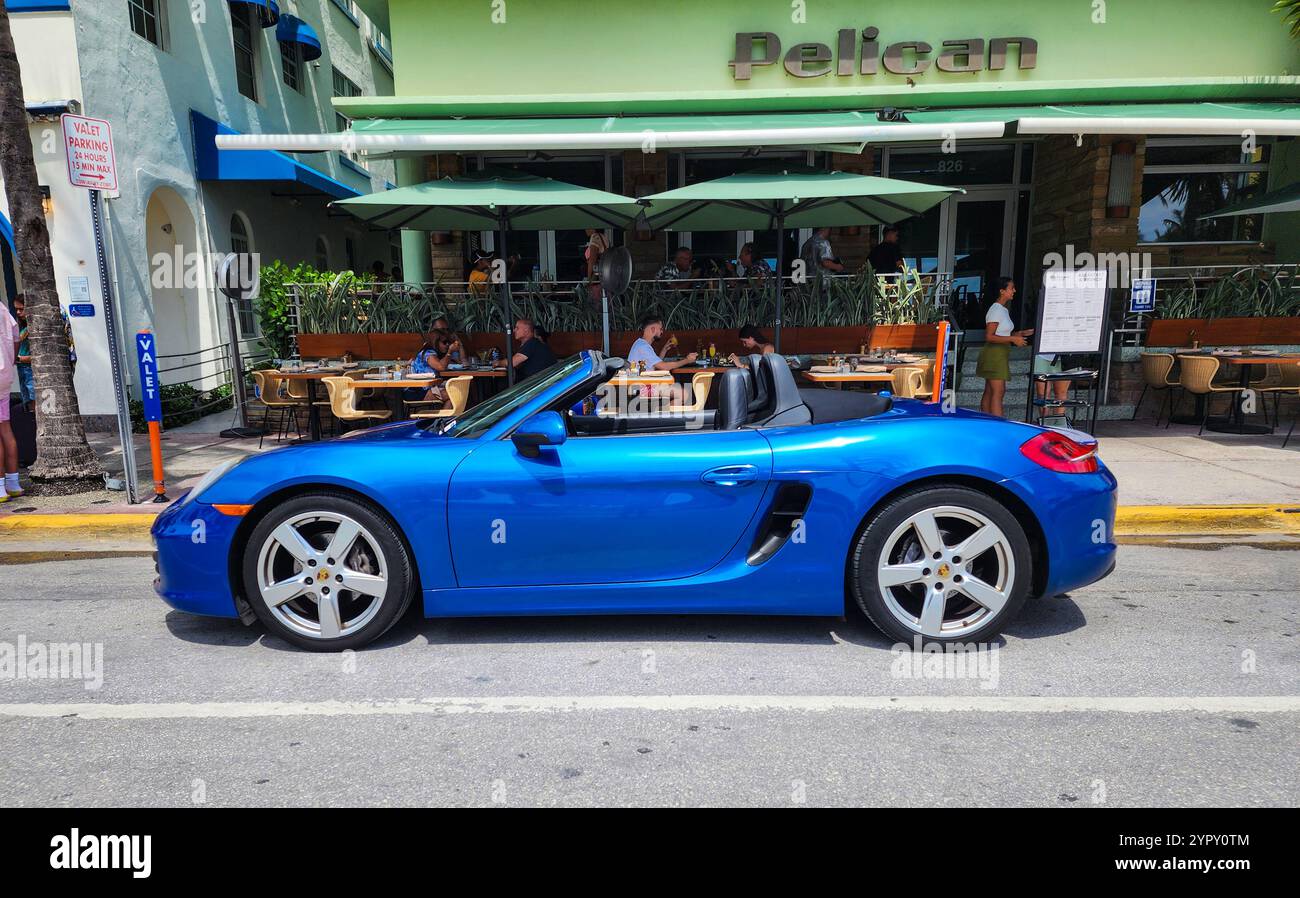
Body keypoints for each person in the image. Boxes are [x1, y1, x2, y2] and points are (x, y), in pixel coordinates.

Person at [976, 277, 1033, 418]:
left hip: (999, 353)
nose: (1014, 290)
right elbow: (989, 336)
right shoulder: (996, 309)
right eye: (1011, 288)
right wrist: (1013, 339)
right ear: (1002, 291)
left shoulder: (1002, 309)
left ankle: (987, 422)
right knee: (998, 391)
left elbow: (1001, 332)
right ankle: (998, 425)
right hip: (995, 354)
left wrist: (1018, 334)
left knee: (991, 390)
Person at [0, 300, 21, 501]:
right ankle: (13, 482)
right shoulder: (3, 308)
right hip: (4, 376)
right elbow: (16, 339)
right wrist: (9, 360)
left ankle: (0, 488)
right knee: (5, 428)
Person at [13, 295, 33, 412]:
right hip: (22, 368)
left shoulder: (33, 327)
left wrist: (20, 359)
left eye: (21, 309)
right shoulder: (22, 326)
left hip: (30, 368)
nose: (18, 312)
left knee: (33, 397)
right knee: (27, 399)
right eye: (16, 309)